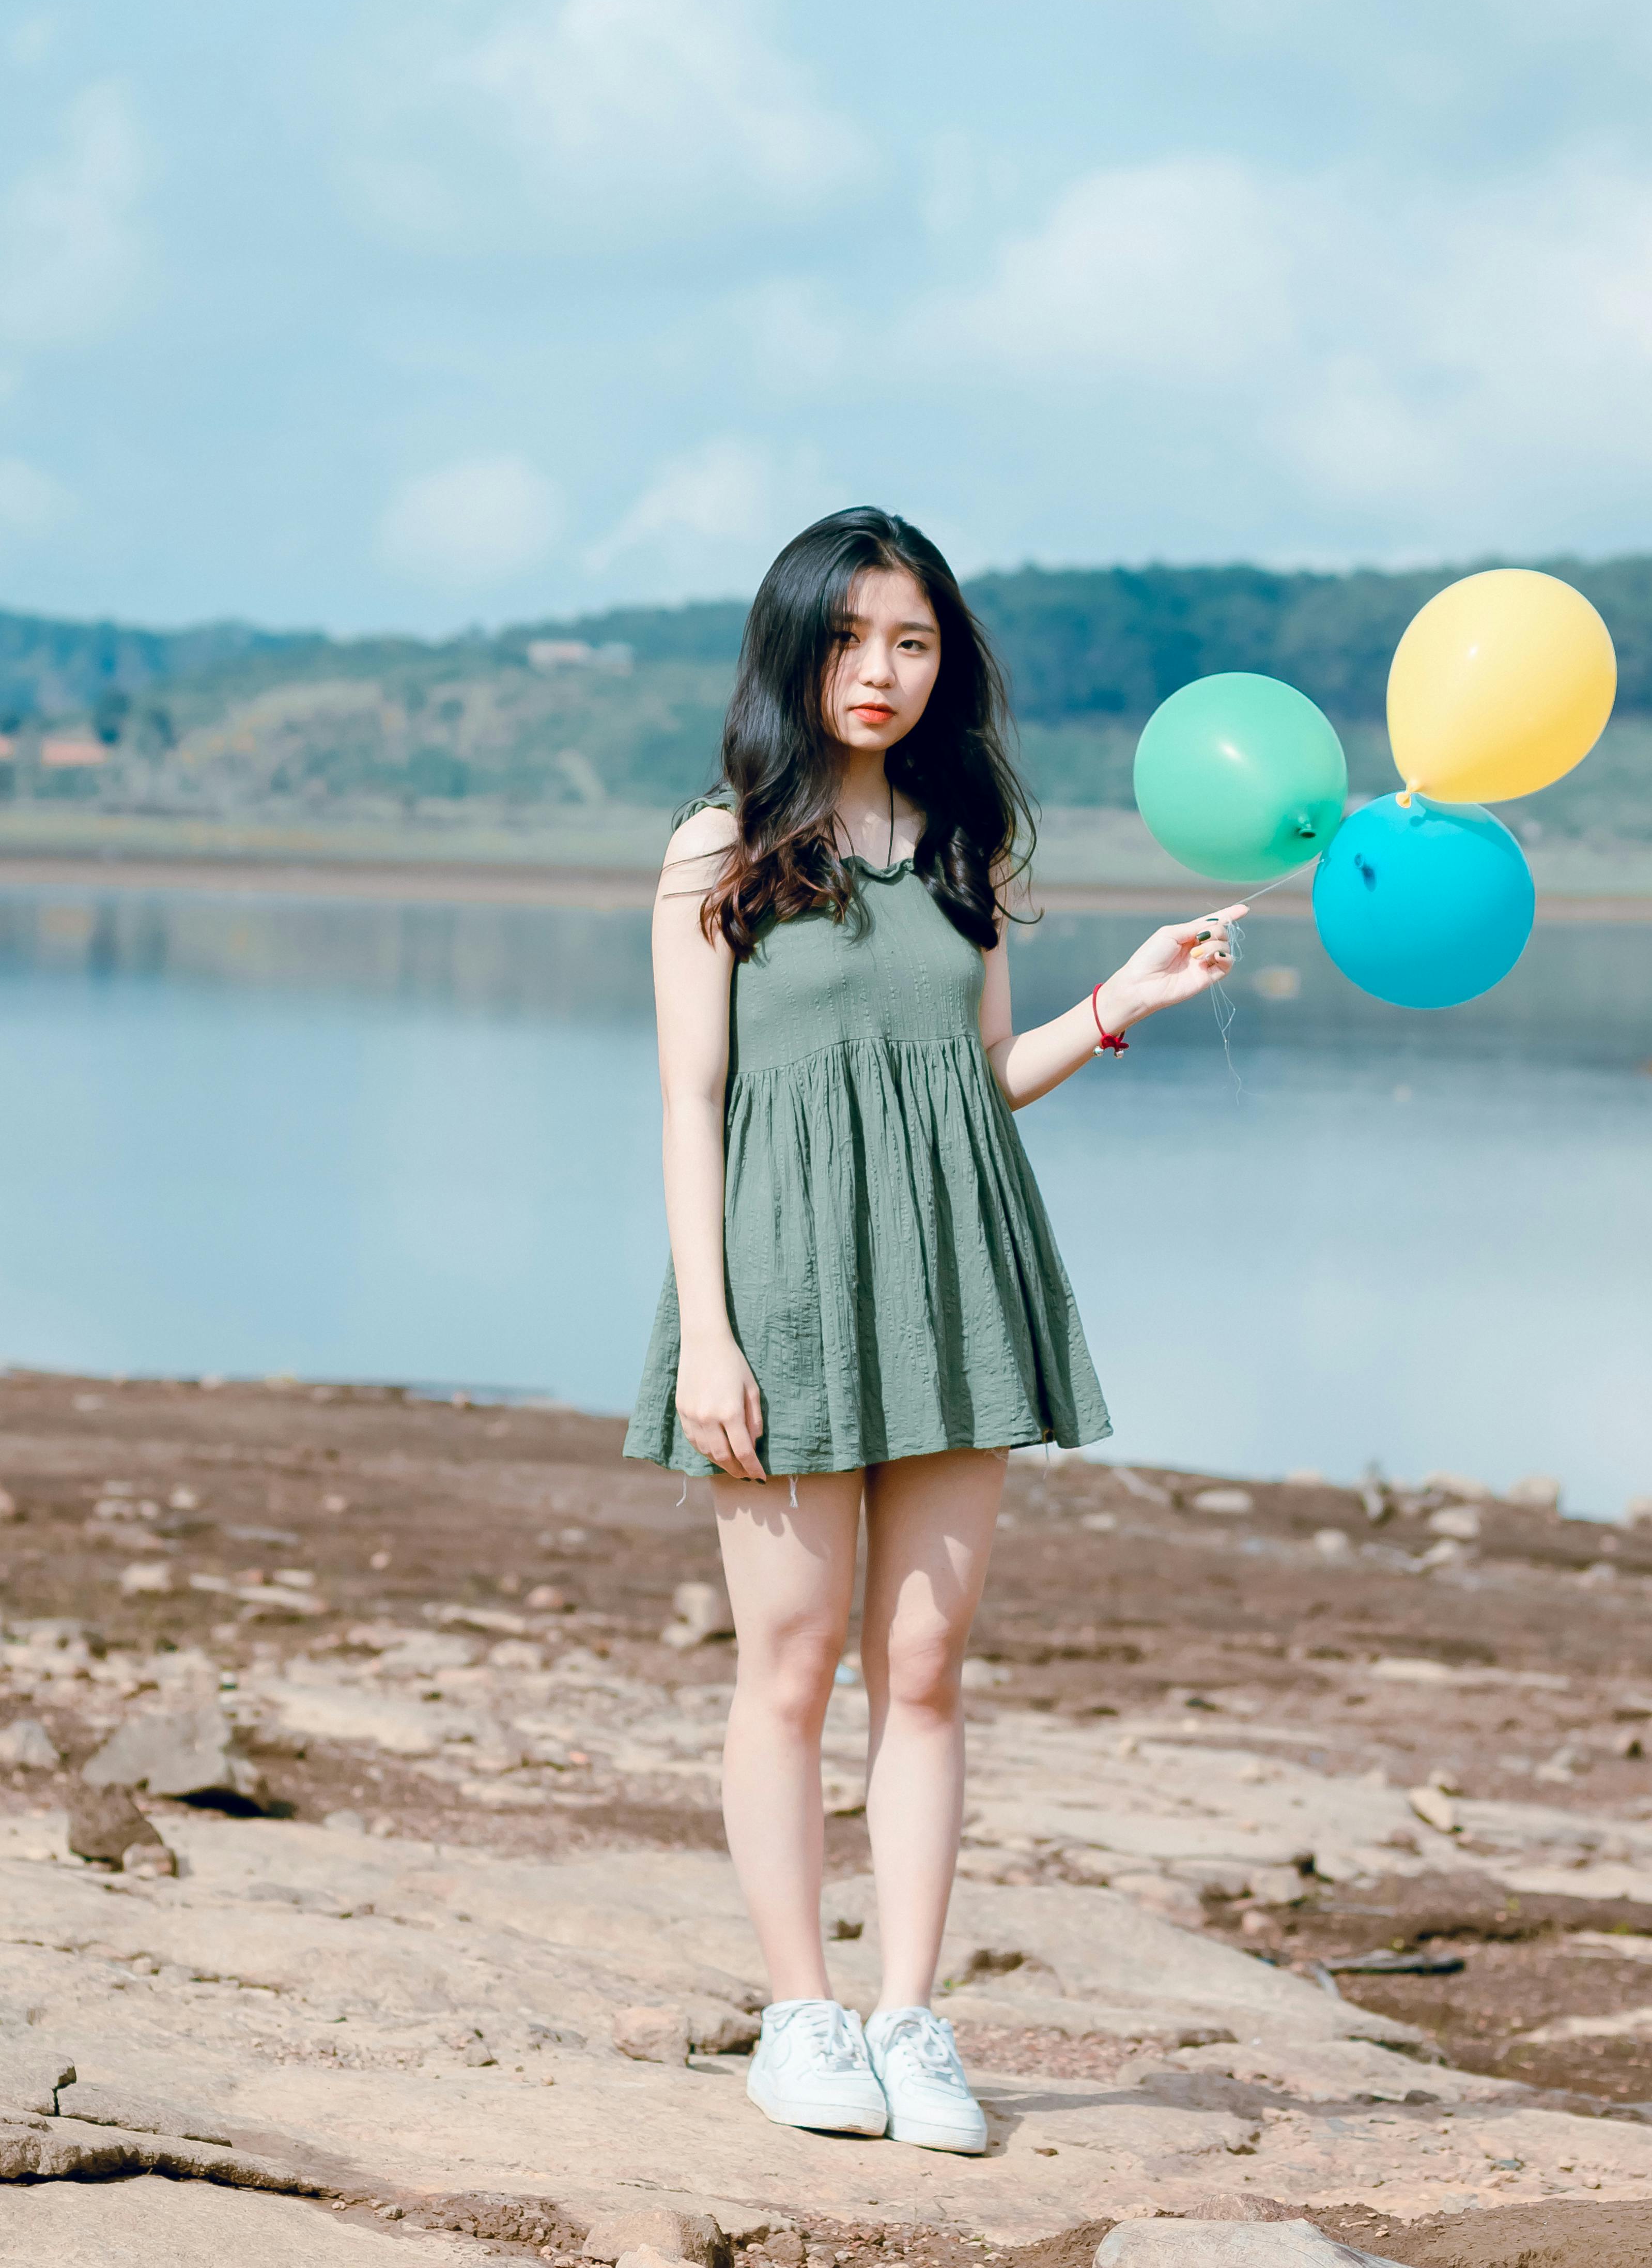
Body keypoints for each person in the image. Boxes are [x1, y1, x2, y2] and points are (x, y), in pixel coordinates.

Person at [625, 507, 1241, 2156]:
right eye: (849, 638)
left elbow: (972, 1090)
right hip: (785, 1286)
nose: (880, 671)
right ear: (795, 650)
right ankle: (798, 2013)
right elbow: (693, 1103)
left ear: (943, 658)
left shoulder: (968, 851)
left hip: (952, 1281)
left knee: (926, 1668)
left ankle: (909, 2018)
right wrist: (708, 1331)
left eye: (910, 640)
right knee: (790, 1661)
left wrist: (1118, 1003)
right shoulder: (719, 848)